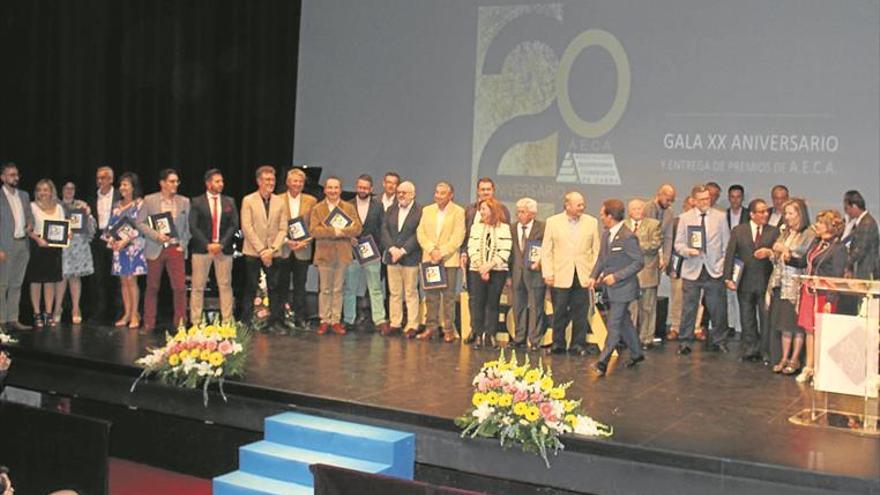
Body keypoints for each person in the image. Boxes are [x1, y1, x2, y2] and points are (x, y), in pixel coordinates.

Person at [788, 210, 847, 383]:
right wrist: (788, 258)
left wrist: (830, 299)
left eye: (820, 223)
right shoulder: (817, 243)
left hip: (823, 295)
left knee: (822, 332)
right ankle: (809, 367)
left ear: (830, 226)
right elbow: (804, 263)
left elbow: (836, 276)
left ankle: (822, 369)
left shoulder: (839, 248)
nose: (817, 226)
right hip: (809, 292)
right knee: (809, 330)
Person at [590, 199, 645, 376]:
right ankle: (637, 353)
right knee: (624, 322)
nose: (601, 217)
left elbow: (638, 262)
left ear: (610, 216)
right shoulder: (606, 234)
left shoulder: (628, 236)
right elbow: (601, 258)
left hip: (624, 288)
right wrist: (593, 276)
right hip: (611, 289)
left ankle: (602, 362)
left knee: (614, 324)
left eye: (602, 214)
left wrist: (616, 276)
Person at [541, 191, 600, 356]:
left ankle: (578, 345)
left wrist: (594, 274)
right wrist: (548, 273)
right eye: (578, 204)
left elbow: (596, 251)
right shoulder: (553, 222)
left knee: (581, 312)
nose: (582, 207)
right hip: (560, 274)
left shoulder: (591, 222)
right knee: (559, 311)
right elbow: (546, 250)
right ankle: (558, 344)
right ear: (567, 205)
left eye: (583, 204)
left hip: (583, 274)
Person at [673, 184, 730, 355]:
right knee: (689, 308)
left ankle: (720, 340)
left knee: (717, 308)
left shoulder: (720, 217)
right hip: (692, 269)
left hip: (713, 270)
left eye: (708, 198)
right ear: (694, 200)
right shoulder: (684, 218)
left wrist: (721, 264)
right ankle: (685, 341)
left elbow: (727, 244)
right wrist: (688, 251)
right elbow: (678, 244)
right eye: (703, 199)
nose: (707, 201)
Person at [723, 199, 779, 362]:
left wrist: (769, 252)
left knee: (766, 318)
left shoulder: (774, 231)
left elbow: (779, 256)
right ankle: (750, 348)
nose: (765, 214)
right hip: (744, 281)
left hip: (765, 282)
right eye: (761, 212)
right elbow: (730, 254)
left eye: (766, 211)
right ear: (752, 214)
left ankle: (765, 350)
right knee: (747, 317)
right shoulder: (739, 231)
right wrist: (728, 277)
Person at [137, 169, 191, 331]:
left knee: (180, 288)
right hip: (155, 248)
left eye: (177, 181)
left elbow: (188, 227)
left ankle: (180, 324)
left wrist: (183, 244)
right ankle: (148, 323)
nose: (175, 184)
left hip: (175, 248)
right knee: (152, 287)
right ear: (162, 183)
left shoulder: (184, 202)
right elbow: (140, 223)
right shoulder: (150, 200)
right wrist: (156, 235)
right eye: (172, 181)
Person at [310, 176, 362, 335]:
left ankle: (335, 320)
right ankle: (324, 320)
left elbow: (357, 228)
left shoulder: (349, 208)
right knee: (325, 289)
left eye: (336, 188)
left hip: (343, 255)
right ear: (325, 190)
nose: (333, 191)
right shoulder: (317, 209)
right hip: (324, 255)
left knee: (338, 289)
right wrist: (334, 231)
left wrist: (342, 231)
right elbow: (314, 231)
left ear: (340, 190)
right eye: (330, 188)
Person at [767, 198, 814, 374]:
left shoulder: (808, 233)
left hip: (797, 285)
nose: (787, 217)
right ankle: (784, 357)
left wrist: (785, 252)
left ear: (800, 214)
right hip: (781, 282)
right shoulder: (785, 232)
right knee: (785, 325)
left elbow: (801, 259)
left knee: (796, 326)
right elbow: (776, 251)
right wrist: (774, 252)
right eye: (786, 213)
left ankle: (795, 359)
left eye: (791, 213)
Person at [240, 166, 288, 330]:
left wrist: (272, 249)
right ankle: (246, 323)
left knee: (275, 288)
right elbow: (247, 227)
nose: (271, 183)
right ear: (259, 181)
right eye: (267, 179)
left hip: (274, 252)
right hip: (253, 252)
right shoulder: (248, 200)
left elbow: (283, 228)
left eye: (273, 180)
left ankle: (275, 322)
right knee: (251, 287)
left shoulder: (280, 201)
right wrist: (262, 250)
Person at [416, 181, 465, 342]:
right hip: (429, 258)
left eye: (442, 193)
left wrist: (441, 252)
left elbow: (458, 236)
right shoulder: (427, 210)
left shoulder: (458, 211)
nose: (438, 195)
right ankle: (431, 327)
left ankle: (448, 329)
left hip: (449, 260)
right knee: (431, 295)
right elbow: (421, 233)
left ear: (451, 195)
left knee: (449, 296)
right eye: (437, 192)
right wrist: (431, 250)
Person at [189, 169, 239, 326]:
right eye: (217, 181)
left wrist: (221, 244)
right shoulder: (197, 202)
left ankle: (227, 321)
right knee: (198, 287)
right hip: (202, 249)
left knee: (225, 285)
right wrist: (207, 244)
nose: (221, 184)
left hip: (223, 250)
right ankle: (196, 322)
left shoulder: (229, 201)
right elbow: (193, 226)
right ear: (208, 183)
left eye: (222, 181)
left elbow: (234, 225)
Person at [342, 174, 386, 332]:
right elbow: (342, 228)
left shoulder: (378, 206)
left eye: (366, 188)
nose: (363, 190)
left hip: (372, 253)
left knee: (375, 288)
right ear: (356, 186)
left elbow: (382, 229)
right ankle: (348, 319)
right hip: (352, 253)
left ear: (371, 189)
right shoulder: (347, 205)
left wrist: (379, 250)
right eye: (360, 187)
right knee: (350, 288)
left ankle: (379, 320)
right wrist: (349, 237)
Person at [466, 197, 512, 349]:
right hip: (476, 270)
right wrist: (481, 267)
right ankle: (478, 335)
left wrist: (489, 266)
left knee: (493, 303)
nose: (481, 212)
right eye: (480, 209)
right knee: (478, 302)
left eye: (484, 209)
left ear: (492, 210)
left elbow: (505, 250)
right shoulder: (476, 227)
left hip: (497, 271)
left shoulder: (504, 228)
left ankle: (491, 335)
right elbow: (471, 247)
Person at [381, 181, 422, 337]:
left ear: (413, 194)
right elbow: (383, 230)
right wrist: (391, 248)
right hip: (392, 257)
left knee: (411, 292)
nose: (401, 195)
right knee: (395, 293)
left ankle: (412, 324)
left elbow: (418, 234)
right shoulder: (391, 209)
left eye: (404, 192)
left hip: (410, 258)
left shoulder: (420, 211)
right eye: (399, 192)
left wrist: (403, 250)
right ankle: (395, 323)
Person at [106, 173, 146, 328]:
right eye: (121, 185)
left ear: (133, 187)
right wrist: (111, 240)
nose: (122, 188)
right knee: (123, 281)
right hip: (119, 248)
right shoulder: (117, 206)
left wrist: (125, 240)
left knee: (131, 280)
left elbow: (140, 225)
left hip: (133, 247)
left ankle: (135, 314)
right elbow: (111, 227)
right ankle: (127, 313)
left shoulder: (140, 204)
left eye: (125, 185)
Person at [280, 168, 318, 330]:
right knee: (281, 285)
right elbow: (274, 225)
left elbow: (315, 226)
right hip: (283, 248)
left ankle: (300, 318)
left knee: (300, 285)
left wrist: (305, 241)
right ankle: (280, 318)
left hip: (303, 248)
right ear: (288, 183)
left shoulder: (311, 201)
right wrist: (286, 241)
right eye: (294, 181)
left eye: (300, 182)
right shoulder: (278, 199)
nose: (297, 184)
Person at [0, 162, 35, 331]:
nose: (15, 177)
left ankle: (13, 319)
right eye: (11, 174)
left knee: (16, 284)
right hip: (5, 246)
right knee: (2, 284)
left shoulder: (24, 195)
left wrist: (30, 224)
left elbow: (29, 216)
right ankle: (1, 321)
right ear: (3, 177)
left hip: (22, 244)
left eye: (16, 174)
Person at [26, 179, 65, 327]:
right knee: (35, 281)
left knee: (50, 281)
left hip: (54, 249)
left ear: (51, 191)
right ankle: (36, 313)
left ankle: (48, 313)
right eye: (40, 189)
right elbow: (27, 229)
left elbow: (63, 227)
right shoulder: (31, 207)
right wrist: (38, 239)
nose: (43, 193)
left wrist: (67, 235)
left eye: (46, 189)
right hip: (37, 247)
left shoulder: (59, 208)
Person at [56, 180, 96, 324]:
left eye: (72, 188)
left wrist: (88, 215)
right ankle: (57, 308)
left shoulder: (81, 205)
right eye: (66, 188)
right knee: (61, 277)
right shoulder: (56, 204)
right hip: (61, 245)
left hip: (78, 245)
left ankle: (75, 308)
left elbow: (91, 227)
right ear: (61, 190)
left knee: (75, 277)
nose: (69, 191)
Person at [509, 197, 546, 351]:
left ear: (532, 213)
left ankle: (535, 339)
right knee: (518, 307)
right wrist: (508, 276)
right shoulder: (512, 228)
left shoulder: (542, 228)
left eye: (523, 212)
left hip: (535, 274)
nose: (519, 215)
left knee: (536, 307)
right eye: (518, 212)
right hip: (517, 274)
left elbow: (547, 250)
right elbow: (510, 253)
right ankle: (519, 338)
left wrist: (541, 264)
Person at [626, 199, 662, 349]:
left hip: (647, 272)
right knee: (630, 308)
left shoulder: (653, 224)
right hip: (628, 274)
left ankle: (646, 338)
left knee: (647, 307)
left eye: (640, 208)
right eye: (634, 209)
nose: (637, 211)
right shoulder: (623, 225)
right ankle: (630, 338)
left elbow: (655, 244)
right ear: (629, 211)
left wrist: (635, 247)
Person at [87, 166, 121, 324]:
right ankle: (100, 312)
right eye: (98, 178)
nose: (101, 181)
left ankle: (119, 312)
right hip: (98, 240)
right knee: (99, 277)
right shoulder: (91, 198)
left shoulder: (121, 195)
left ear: (112, 179)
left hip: (117, 239)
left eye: (105, 177)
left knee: (118, 277)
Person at [665, 195, 695, 341]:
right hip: (678, 266)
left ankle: (695, 327)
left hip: (696, 267)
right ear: (684, 206)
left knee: (696, 300)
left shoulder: (702, 223)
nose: (692, 209)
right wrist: (670, 266)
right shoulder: (676, 222)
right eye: (690, 205)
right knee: (677, 298)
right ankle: (675, 327)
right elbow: (669, 246)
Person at [842, 190, 879, 280]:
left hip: (867, 271)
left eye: (846, 208)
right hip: (863, 270)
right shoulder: (861, 223)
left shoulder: (867, 223)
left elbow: (860, 249)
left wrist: (845, 264)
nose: (846, 212)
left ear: (854, 206)